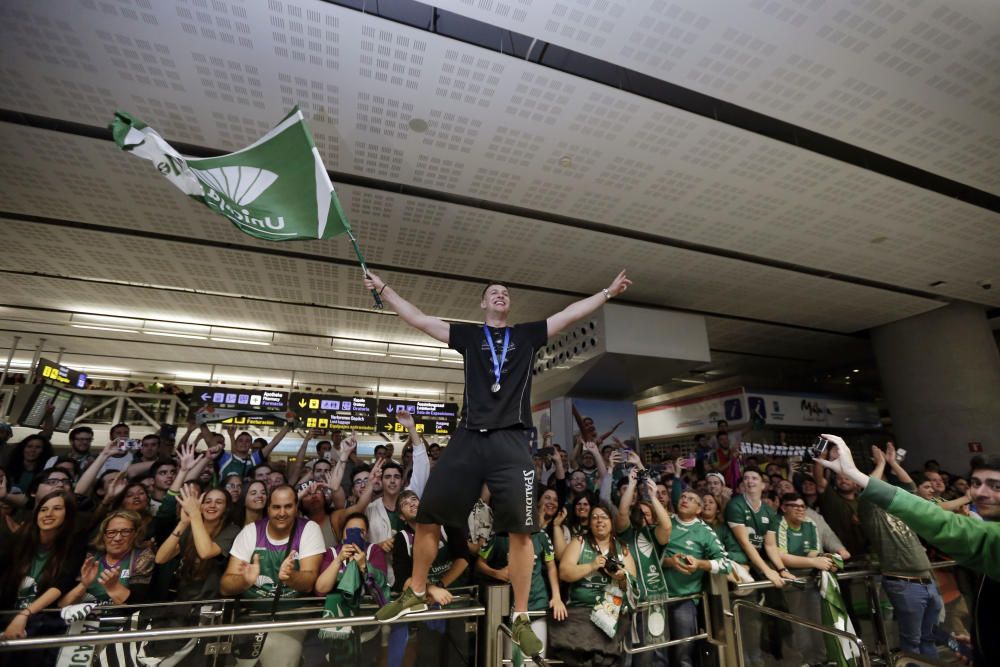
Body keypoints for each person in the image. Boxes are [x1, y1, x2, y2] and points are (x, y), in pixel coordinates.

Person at [366, 268, 632, 657]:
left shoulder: (525, 335)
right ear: (483, 303)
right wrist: (384, 290)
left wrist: (606, 292)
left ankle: (521, 615)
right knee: (427, 516)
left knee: (523, 531)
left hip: (511, 439)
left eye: (505, 292)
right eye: (493, 292)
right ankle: (417, 590)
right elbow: (421, 319)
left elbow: (571, 314)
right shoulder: (470, 336)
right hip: (469, 435)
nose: (500, 294)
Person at [817, 436, 999, 665]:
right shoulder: (874, 512)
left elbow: (941, 520)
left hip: (925, 580)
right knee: (917, 641)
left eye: (995, 486)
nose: (981, 493)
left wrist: (864, 470)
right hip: (905, 582)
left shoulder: (992, 536)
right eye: (975, 483)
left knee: (927, 639)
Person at [220, 485, 324, 667]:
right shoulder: (251, 531)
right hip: (251, 614)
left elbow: (309, 581)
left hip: (291, 613)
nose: (282, 513)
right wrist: (245, 580)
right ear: (267, 508)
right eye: (276, 507)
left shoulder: (308, 529)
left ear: (296, 507)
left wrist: (291, 577)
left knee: (279, 657)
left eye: (288, 506)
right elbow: (225, 585)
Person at [554, 503, 637, 667]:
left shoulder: (621, 548)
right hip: (580, 609)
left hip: (610, 610)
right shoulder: (579, 542)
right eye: (595, 517)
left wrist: (621, 577)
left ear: (612, 523)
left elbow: (632, 583)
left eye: (604, 517)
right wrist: (591, 566)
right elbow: (563, 572)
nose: (599, 521)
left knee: (605, 660)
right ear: (590, 523)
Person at [0, 491, 81, 639]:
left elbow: (59, 586)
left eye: (57, 508)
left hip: (40, 620)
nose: (48, 514)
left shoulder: (73, 545)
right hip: (6, 613)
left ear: (67, 515)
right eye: (43, 509)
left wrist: (24, 614)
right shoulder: (20, 541)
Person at [664, 491, 732, 667]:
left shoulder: (704, 531)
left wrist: (700, 564)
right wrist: (668, 562)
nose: (685, 500)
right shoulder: (665, 523)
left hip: (685, 599)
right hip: (657, 597)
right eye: (683, 497)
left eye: (691, 499)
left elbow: (725, 564)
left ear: (699, 509)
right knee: (656, 651)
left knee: (683, 652)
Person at [614, 468, 671, 667]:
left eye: (647, 513)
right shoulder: (625, 534)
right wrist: (631, 485)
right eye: (638, 512)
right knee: (625, 655)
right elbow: (622, 512)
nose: (642, 515)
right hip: (626, 601)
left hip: (651, 601)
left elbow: (667, 526)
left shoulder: (655, 536)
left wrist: (653, 497)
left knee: (647, 655)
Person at [775, 492, 837, 666]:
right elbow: (782, 556)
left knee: (817, 619)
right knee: (799, 622)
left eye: (802, 506)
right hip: (791, 581)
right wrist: (813, 561)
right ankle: (806, 661)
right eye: (794, 506)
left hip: (811, 578)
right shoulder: (779, 523)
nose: (800, 509)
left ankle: (822, 659)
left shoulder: (809, 523)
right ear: (783, 508)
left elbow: (812, 550)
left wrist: (824, 557)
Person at [155, 484, 240, 600]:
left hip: (213, 601)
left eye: (219, 502)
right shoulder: (190, 527)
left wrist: (195, 514)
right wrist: (183, 523)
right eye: (208, 501)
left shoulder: (232, 530)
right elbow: (160, 558)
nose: (212, 505)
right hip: (184, 599)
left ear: (226, 508)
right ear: (201, 505)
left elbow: (205, 552)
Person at [61, 509, 154, 606]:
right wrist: (83, 585)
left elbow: (137, 606)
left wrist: (113, 587)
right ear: (103, 536)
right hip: (85, 618)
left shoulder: (142, 557)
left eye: (125, 531)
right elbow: (62, 606)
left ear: (135, 534)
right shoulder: (90, 558)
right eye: (111, 532)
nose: (117, 538)